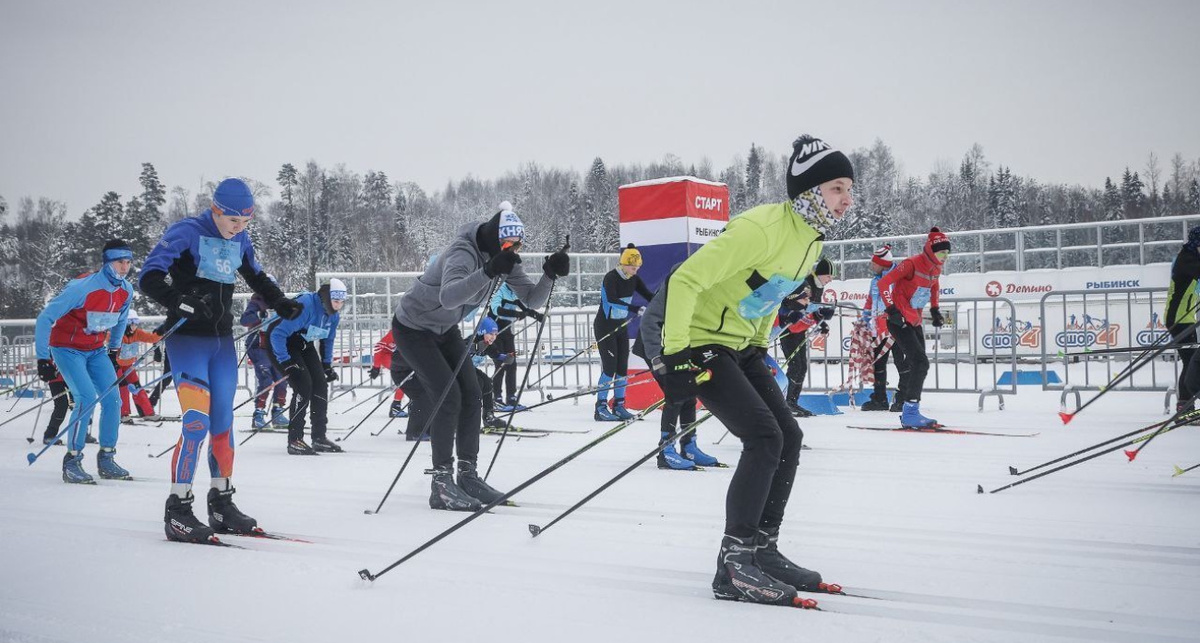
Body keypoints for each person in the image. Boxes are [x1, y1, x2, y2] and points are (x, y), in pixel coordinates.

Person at [655, 135, 853, 605]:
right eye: (838, 188)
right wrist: (677, 353)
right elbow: (685, 280)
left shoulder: (809, 242)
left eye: (849, 189)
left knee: (789, 435)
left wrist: (761, 343)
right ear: (809, 192)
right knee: (764, 437)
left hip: (741, 345)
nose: (848, 199)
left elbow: (769, 293)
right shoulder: (761, 228)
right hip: (703, 341)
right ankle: (735, 562)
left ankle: (763, 549)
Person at [140, 177, 302, 544]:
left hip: (220, 343)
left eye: (246, 223)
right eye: (233, 221)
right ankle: (178, 509)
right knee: (196, 423)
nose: (239, 229)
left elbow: (255, 275)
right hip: (187, 341)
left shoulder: (241, 240)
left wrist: (281, 302)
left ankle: (221, 502)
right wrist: (179, 301)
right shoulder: (187, 232)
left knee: (223, 425)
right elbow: (148, 277)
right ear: (216, 211)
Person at [392, 200, 567, 511]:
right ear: (494, 240)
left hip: (444, 330)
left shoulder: (504, 257)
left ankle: (467, 475)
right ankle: (441, 483)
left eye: (517, 245)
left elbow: (531, 299)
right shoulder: (463, 253)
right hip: (413, 327)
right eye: (508, 244)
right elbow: (448, 297)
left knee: (473, 394)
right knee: (448, 396)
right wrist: (488, 271)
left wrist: (549, 275)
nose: (513, 250)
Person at [34, 239, 135, 483]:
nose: (125, 267)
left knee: (113, 399)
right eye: (120, 262)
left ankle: (107, 458)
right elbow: (45, 318)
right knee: (86, 399)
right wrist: (42, 358)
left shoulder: (126, 290)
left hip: (96, 350)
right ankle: (72, 460)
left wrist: (113, 350)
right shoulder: (82, 288)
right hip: (66, 349)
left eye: (129, 262)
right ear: (107, 262)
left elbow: (121, 321)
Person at [633, 265, 721, 470]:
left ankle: (689, 445)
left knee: (689, 392)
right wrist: (656, 358)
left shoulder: (704, 286)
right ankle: (666, 450)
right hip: (654, 346)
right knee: (676, 394)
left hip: (676, 346)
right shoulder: (676, 285)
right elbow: (648, 322)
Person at [877, 227, 949, 428]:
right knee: (920, 363)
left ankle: (907, 406)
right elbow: (884, 283)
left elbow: (934, 286)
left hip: (914, 320)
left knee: (919, 364)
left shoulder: (935, 268)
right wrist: (891, 309)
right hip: (899, 321)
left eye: (947, 253)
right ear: (931, 250)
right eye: (941, 252)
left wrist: (935, 310)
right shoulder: (912, 263)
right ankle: (909, 411)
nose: (945, 257)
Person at [267, 279, 346, 454]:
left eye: (341, 302)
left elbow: (328, 339)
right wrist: (286, 361)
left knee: (320, 385)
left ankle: (319, 437)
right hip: (281, 342)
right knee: (303, 384)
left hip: (303, 342)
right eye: (335, 301)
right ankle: (295, 439)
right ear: (326, 298)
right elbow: (277, 333)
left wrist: (326, 365)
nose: (338, 306)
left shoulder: (333, 315)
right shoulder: (306, 306)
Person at [594, 243, 656, 421]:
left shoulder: (634, 279)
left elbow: (648, 295)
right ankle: (600, 407)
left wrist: (662, 299)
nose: (635, 271)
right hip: (605, 326)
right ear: (623, 264)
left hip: (621, 327)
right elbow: (611, 300)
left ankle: (619, 405)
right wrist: (634, 308)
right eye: (632, 267)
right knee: (609, 367)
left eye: (637, 268)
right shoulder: (611, 278)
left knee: (622, 368)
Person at [777, 259, 835, 417]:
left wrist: (821, 321)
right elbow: (796, 305)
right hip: (790, 328)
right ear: (821, 274)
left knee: (802, 366)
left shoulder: (819, 286)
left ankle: (793, 401)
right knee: (795, 366)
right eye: (829, 276)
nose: (830, 280)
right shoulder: (807, 283)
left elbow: (813, 308)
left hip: (800, 329)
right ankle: (786, 402)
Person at [860, 244, 905, 411]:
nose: (871, 266)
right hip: (879, 330)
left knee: (902, 364)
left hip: (898, 329)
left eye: (874, 263)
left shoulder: (898, 277)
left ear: (882, 264)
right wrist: (864, 319)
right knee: (878, 364)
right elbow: (870, 302)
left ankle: (903, 398)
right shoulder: (875, 280)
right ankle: (879, 399)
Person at [240, 278, 289, 429]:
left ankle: (277, 411)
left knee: (282, 378)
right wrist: (260, 316)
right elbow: (244, 319)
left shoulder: (280, 302)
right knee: (266, 379)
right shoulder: (257, 302)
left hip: (275, 346)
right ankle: (259, 413)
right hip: (258, 345)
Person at [488, 282, 543, 412]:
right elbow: (497, 309)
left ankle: (511, 397)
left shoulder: (514, 292)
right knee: (501, 364)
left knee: (512, 364)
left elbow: (523, 307)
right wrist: (516, 315)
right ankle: (497, 398)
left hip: (507, 333)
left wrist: (536, 315)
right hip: (494, 332)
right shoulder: (500, 290)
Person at [1165, 227, 1200, 414]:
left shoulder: (1190, 257)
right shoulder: (1189, 259)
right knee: (1191, 361)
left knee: (1191, 360)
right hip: (1179, 319)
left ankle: (1186, 404)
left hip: (1183, 317)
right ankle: (1185, 406)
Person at [116, 312, 163, 422]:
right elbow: (106, 339)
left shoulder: (137, 333)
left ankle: (147, 412)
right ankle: (124, 414)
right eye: (131, 323)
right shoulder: (117, 334)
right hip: (116, 366)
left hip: (128, 366)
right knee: (123, 389)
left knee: (137, 387)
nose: (134, 326)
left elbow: (151, 338)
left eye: (136, 323)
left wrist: (161, 331)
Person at [471, 316, 508, 429]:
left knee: (487, 383)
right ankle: (468, 418)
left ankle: (488, 416)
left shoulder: (488, 345)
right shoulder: (472, 340)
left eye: (496, 334)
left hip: (470, 369)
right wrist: (475, 347)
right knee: (477, 385)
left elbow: (496, 354)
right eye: (491, 333)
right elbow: (461, 348)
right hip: (456, 370)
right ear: (482, 332)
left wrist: (506, 357)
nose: (493, 337)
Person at [39, 361, 71, 446]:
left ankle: (84, 433)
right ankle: (49, 436)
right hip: (55, 378)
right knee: (61, 405)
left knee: (83, 401)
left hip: (70, 376)